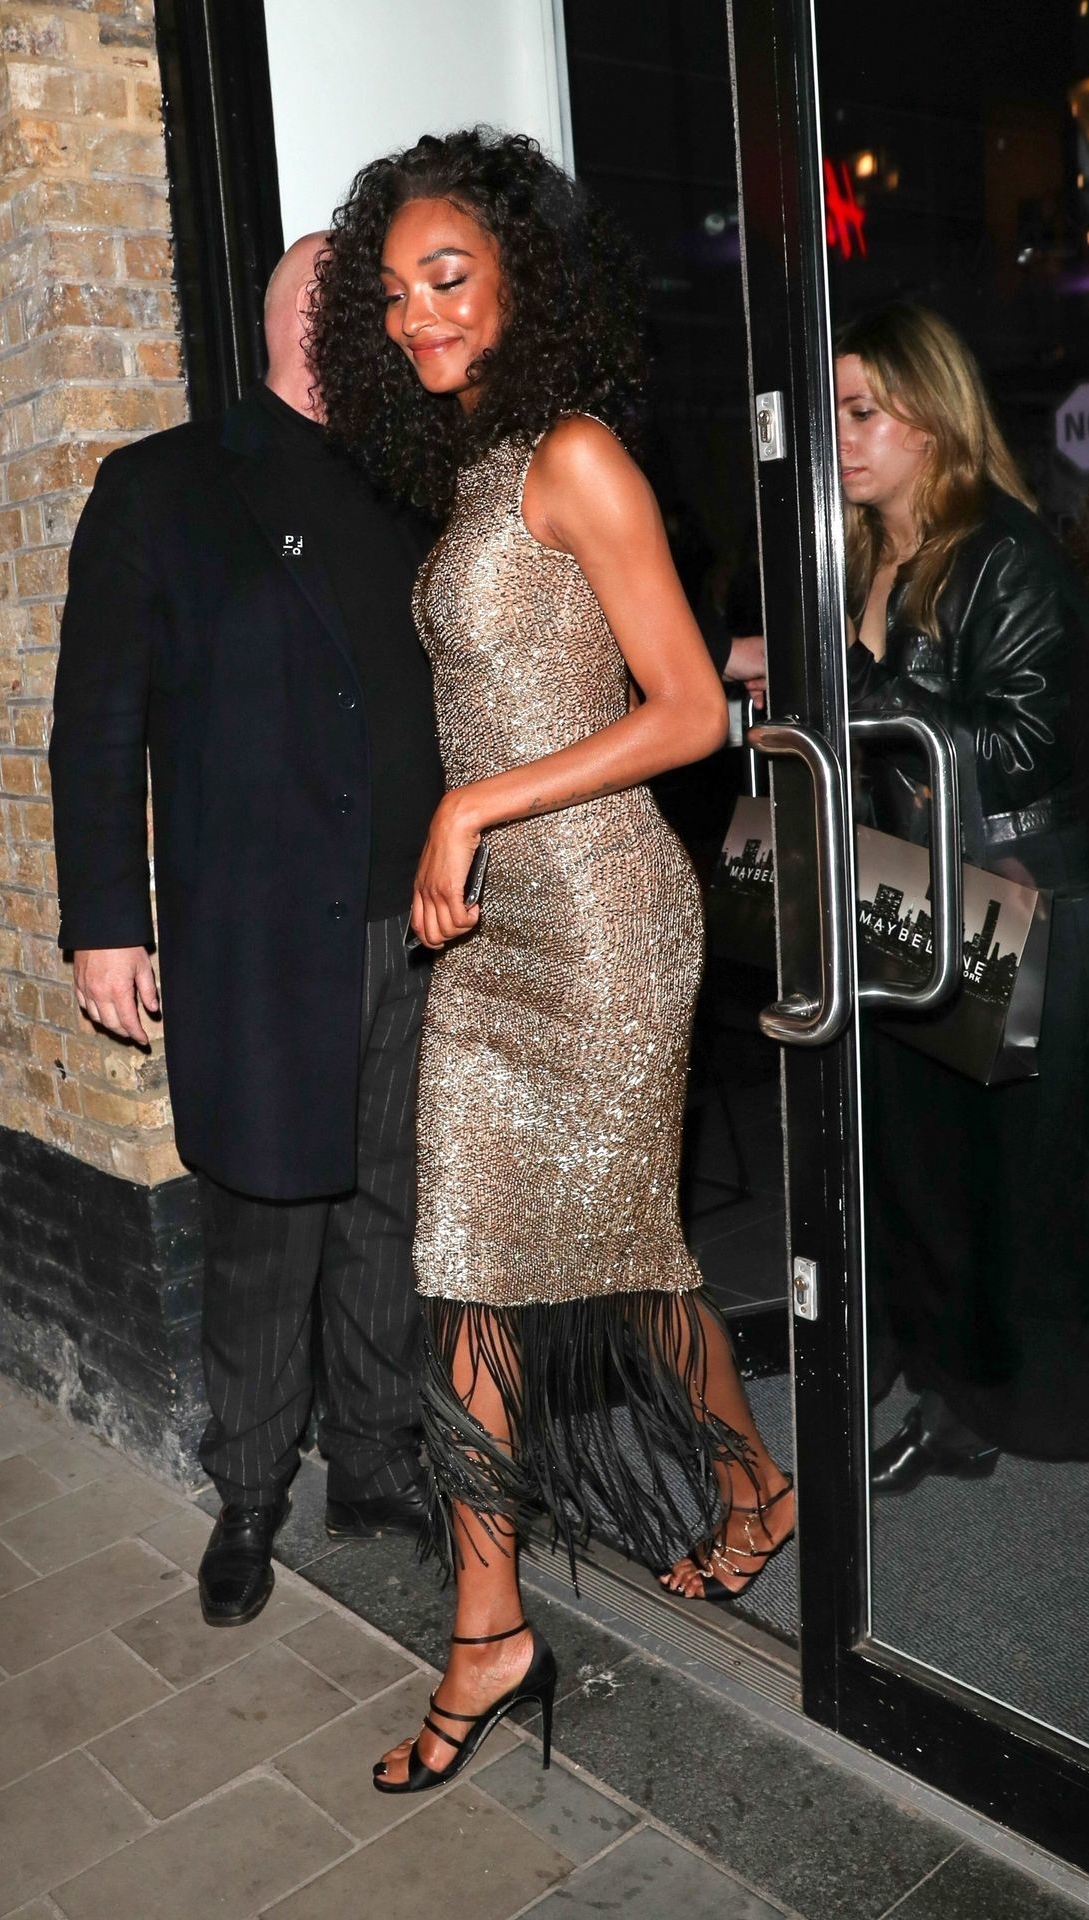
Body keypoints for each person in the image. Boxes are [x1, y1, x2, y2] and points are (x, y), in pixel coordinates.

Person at [308, 128, 796, 1795]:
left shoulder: (573, 455)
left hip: (599, 922)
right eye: (394, 296)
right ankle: (488, 1627)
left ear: (520, 277)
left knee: (626, 1257)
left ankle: (750, 1482)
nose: (420, 316)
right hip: (495, 935)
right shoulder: (472, 467)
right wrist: (457, 834)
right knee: (462, 1267)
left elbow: (688, 712)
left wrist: (472, 807)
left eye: (447, 278)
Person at [49, 235, 446, 1628]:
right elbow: (97, 722)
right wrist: (105, 922)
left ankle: (377, 1462)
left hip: (418, 920)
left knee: (390, 1206)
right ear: (294, 316)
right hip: (260, 932)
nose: (389, 324)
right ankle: (252, 1490)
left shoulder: (414, 485)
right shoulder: (162, 486)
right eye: (364, 300)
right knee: (266, 1222)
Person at [836, 302, 1089, 1571]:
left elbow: (1028, 748)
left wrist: (868, 686)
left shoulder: (1006, 557)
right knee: (932, 1184)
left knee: (1048, 1197)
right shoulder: (871, 555)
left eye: (862, 411)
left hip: (1022, 903)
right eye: (836, 411)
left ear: (930, 419)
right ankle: (959, 1407)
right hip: (916, 895)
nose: (840, 436)